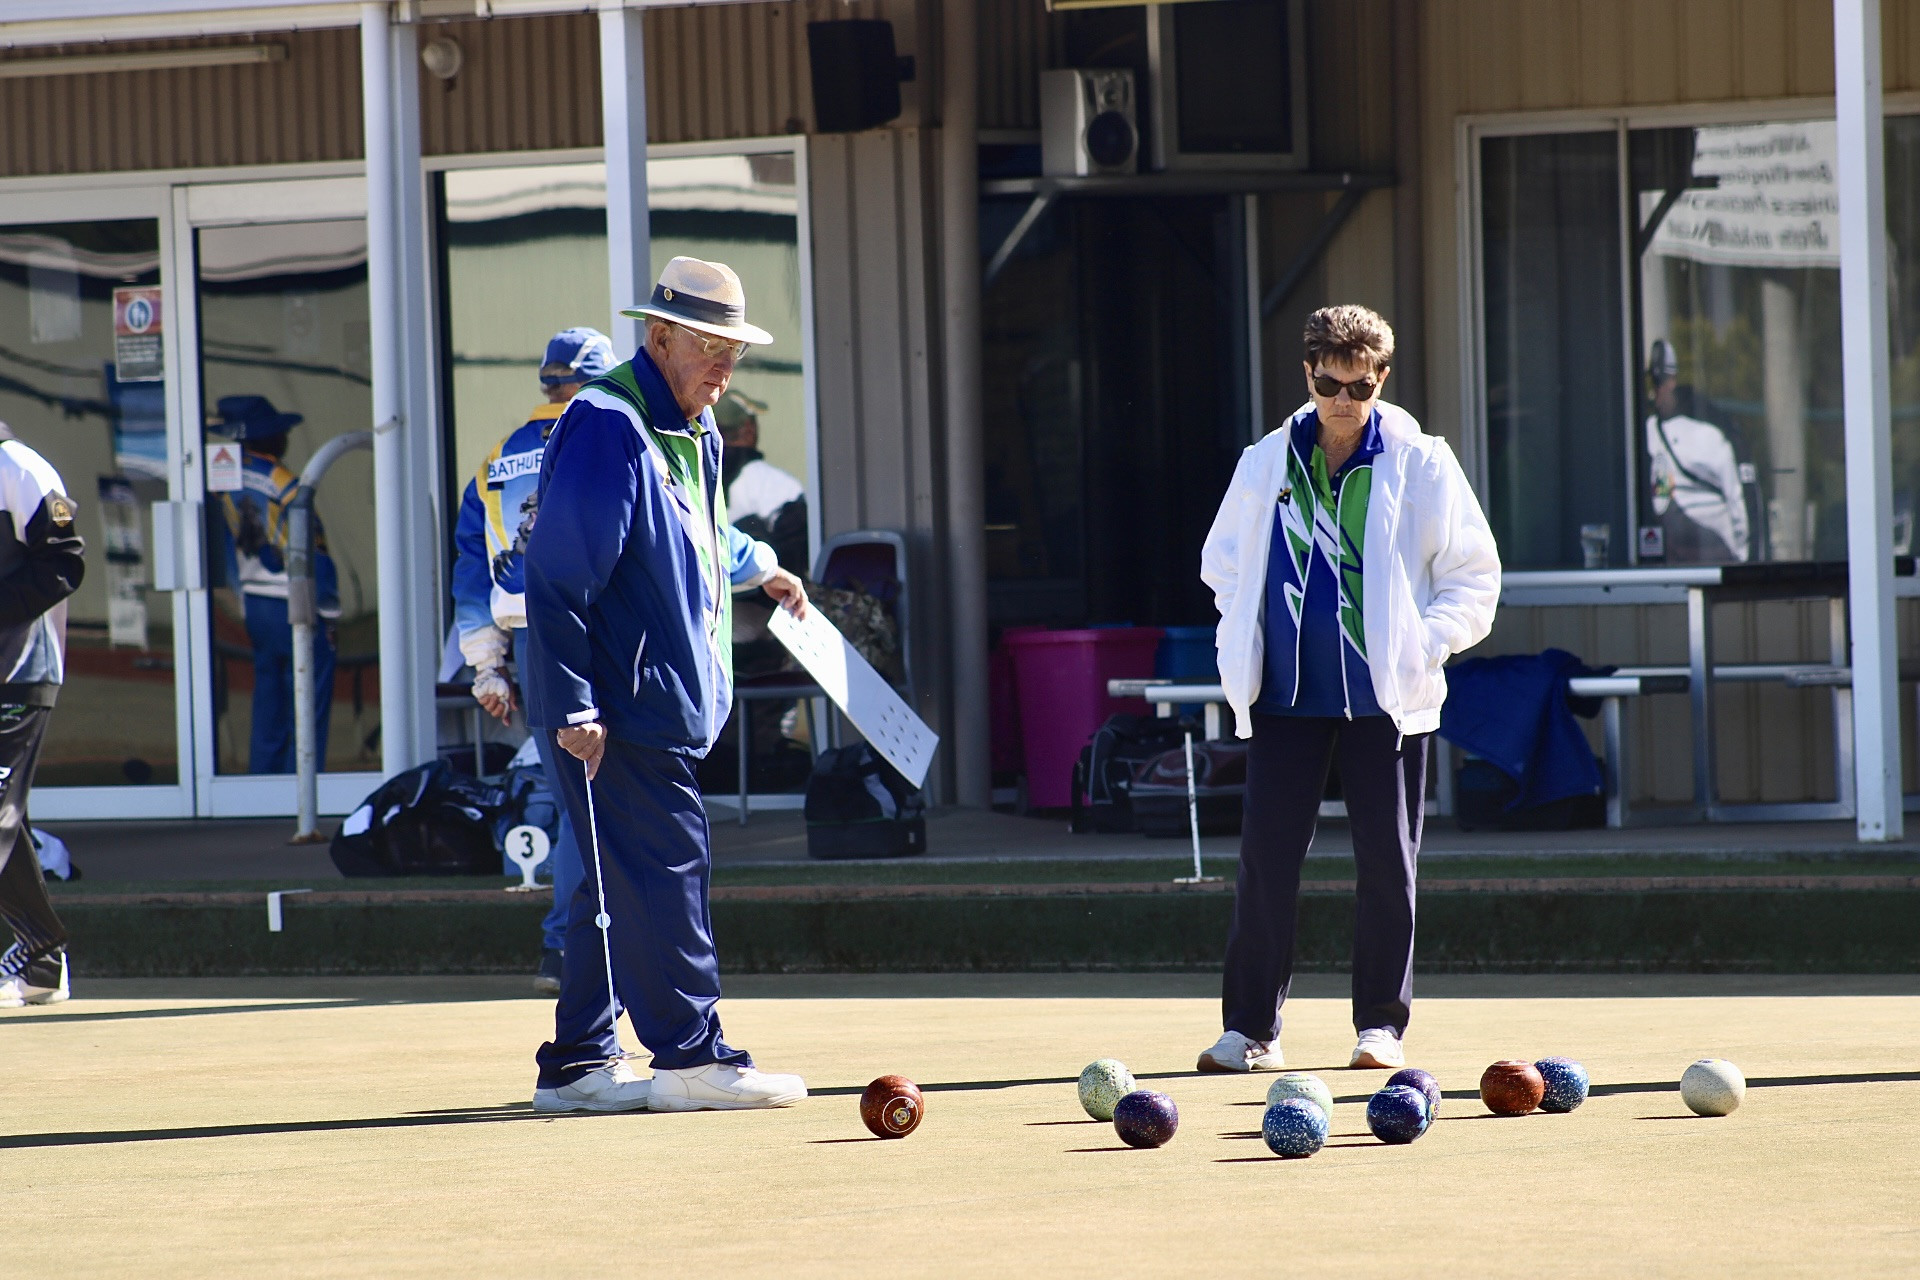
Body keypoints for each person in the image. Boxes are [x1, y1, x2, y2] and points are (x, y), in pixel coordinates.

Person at [523, 257, 812, 1113]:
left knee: (607, 887)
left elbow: (701, 533)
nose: (726, 367)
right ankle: (692, 1055)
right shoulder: (608, 424)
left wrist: (761, 568)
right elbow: (559, 575)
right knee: (667, 871)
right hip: (618, 705)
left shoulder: (695, 429)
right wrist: (575, 702)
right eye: (709, 346)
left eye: (735, 350)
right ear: (658, 337)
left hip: (650, 702)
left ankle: (577, 1065)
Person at [1196, 305, 1500, 1073]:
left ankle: (1380, 1028)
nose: (1343, 400)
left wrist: (1422, 646)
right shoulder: (1265, 461)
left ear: (1381, 379)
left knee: (1387, 863)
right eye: (1329, 383)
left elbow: (1473, 574)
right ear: (1307, 374)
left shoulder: (1423, 462)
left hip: (1385, 703)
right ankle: (1250, 1029)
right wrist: (1242, 634)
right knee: (1267, 860)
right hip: (1284, 698)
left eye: (1360, 386)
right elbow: (1222, 564)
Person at [452, 327, 615, 996]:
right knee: (610, 802)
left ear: (547, 383)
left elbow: (470, 569)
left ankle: (565, 949)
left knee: (575, 799)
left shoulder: (495, 461)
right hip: (601, 634)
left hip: (530, 643)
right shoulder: (605, 441)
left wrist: (486, 666)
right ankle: (585, 949)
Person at [0, 423, 86, 1007]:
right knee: (6, 813)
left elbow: (64, 563)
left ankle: (39, 949)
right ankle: (42, 961)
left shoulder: (18, 468)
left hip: (22, 670)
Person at [211, 395, 339, 774]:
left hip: (256, 604)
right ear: (271, 437)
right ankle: (299, 787)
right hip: (296, 602)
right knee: (307, 702)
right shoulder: (284, 482)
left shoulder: (224, 479)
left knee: (267, 698)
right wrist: (329, 610)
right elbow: (312, 551)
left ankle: (262, 784)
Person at [1645, 338, 1749, 563]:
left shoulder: (1709, 433)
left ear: (1672, 381)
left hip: (1715, 556)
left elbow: (1736, 497)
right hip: (1671, 554)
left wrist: (1743, 559)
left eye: (1658, 383)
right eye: (1651, 384)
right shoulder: (1648, 432)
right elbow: (1660, 496)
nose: (1653, 394)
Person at [714, 389, 808, 572]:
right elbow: (797, 557)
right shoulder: (779, 484)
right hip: (768, 593)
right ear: (749, 428)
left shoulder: (693, 478)